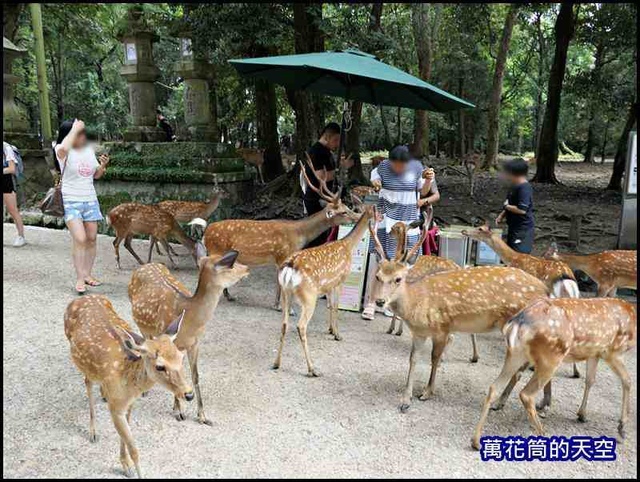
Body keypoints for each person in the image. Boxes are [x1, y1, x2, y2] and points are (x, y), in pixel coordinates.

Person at [362, 145, 432, 320]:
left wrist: (429, 180)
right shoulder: (383, 167)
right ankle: (371, 302)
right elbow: (375, 180)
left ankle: (393, 305)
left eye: (403, 165)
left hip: (408, 222)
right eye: (396, 165)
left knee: (404, 267)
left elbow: (423, 191)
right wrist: (376, 183)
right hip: (386, 220)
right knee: (380, 262)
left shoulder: (417, 167)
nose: (399, 168)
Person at [54, 119, 109, 294]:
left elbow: (96, 175)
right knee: (80, 238)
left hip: (90, 200)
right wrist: (75, 128)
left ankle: (87, 274)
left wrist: (102, 166)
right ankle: (79, 278)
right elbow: (63, 149)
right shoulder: (61, 149)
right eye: (80, 133)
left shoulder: (87, 151)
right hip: (71, 200)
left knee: (92, 238)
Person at [301, 122, 341, 247]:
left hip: (325, 200)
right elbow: (321, 177)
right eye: (336, 140)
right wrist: (339, 170)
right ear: (327, 136)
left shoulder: (326, 151)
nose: (337, 144)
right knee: (316, 237)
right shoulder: (316, 151)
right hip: (316, 201)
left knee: (325, 235)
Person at [495, 157, 534, 254]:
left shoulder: (524, 188)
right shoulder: (514, 186)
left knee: (519, 256)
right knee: (511, 253)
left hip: (522, 230)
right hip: (514, 227)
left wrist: (506, 207)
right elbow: (511, 203)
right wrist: (502, 215)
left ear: (514, 173)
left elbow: (522, 210)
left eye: (508, 173)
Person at [3, 141, 26, 247]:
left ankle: (21, 236)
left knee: (12, 210)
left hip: (7, 181)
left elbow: (12, 169)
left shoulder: (6, 148)